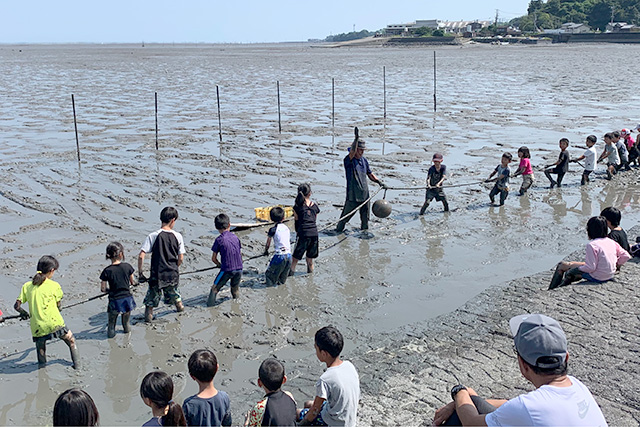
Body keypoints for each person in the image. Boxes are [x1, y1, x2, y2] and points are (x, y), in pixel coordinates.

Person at [433, 313, 608, 426]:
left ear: (523, 364)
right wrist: (467, 398)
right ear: (566, 357)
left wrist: (459, 392)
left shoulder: (528, 407)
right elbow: (511, 405)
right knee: (471, 404)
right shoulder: (577, 387)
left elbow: (471, 423)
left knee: (459, 418)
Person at [14, 255, 80, 369]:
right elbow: (58, 304)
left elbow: (17, 306)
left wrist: (23, 313)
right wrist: (59, 308)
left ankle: (42, 371)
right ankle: (77, 366)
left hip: (37, 326)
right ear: (51, 270)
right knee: (71, 341)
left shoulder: (27, 286)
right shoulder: (54, 285)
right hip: (54, 323)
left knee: (41, 350)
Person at [298, 326, 360, 427]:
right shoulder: (349, 365)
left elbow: (315, 411)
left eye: (316, 348)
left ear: (323, 354)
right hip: (349, 419)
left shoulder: (325, 379)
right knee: (308, 403)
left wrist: (301, 424)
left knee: (299, 412)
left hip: (334, 423)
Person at [548, 216, 630, 289]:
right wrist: (616, 264)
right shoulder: (611, 241)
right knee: (572, 265)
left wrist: (577, 269)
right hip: (610, 274)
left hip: (598, 276)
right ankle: (561, 287)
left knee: (565, 268)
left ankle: (553, 289)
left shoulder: (592, 245)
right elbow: (626, 255)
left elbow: (590, 267)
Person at [138, 206, 186, 322]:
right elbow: (181, 257)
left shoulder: (153, 235)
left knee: (150, 302)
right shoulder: (178, 236)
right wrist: (175, 267)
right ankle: (180, 312)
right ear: (173, 220)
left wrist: (141, 273)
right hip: (172, 274)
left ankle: (148, 320)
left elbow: (141, 255)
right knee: (176, 297)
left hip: (157, 275)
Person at [335, 128, 384, 232]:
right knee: (344, 218)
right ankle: (338, 232)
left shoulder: (364, 161)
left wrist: (379, 182)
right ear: (356, 149)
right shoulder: (349, 161)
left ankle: (364, 236)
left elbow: (370, 174)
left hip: (365, 196)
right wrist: (356, 139)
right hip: (353, 197)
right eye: (360, 150)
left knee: (365, 219)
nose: (362, 152)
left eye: (363, 150)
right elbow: (352, 152)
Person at [182, 349, 232, 427]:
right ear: (217, 368)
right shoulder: (224, 397)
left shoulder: (189, 404)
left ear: (192, 376)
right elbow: (227, 423)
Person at [244, 358, 297, 427]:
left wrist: (246, 424)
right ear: (284, 380)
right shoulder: (289, 396)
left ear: (259, 383)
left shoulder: (260, 407)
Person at [100, 242, 136, 338]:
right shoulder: (128, 267)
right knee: (126, 323)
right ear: (121, 254)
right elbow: (132, 282)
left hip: (114, 300)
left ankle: (111, 340)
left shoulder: (107, 271)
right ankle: (127, 339)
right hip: (127, 299)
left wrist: (109, 290)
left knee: (111, 325)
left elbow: (103, 289)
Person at [208, 213, 243, 306]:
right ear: (229, 225)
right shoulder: (235, 237)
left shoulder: (219, 240)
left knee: (214, 289)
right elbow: (239, 254)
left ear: (216, 227)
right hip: (239, 268)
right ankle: (236, 305)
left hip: (227, 269)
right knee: (235, 289)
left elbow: (214, 259)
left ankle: (210, 308)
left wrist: (219, 265)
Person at [291, 184, 320, 275]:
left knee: (295, 259)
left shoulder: (297, 207)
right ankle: (310, 277)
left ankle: (289, 276)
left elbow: (297, 221)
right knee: (310, 260)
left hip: (303, 234)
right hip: (314, 234)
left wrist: (297, 233)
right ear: (310, 194)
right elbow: (314, 219)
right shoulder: (314, 206)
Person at [264, 207, 292, 287]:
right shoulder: (287, 228)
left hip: (279, 256)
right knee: (282, 279)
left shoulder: (273, 230)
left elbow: (268, 243)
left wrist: (266, 251)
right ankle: (281, 291)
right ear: (283, 218)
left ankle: (270, 291)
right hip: (289, 256)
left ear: (271, 219)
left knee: (269, 275)